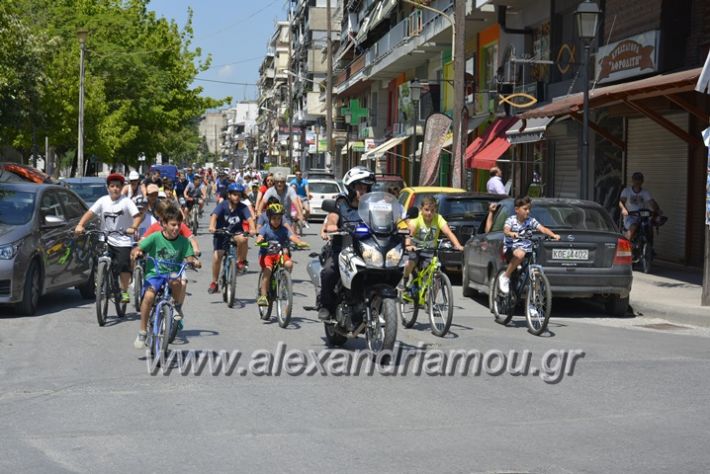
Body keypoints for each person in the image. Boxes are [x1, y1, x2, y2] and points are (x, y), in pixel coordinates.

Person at [131, 204, 201, 349]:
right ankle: (142, 331)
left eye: (178, 225)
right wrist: (137, 252)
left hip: (172, 273)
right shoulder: (155, 237)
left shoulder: (183, 241)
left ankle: (175, 307)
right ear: (164, 224)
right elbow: (139, 247)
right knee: (149, 297)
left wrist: (194, 261)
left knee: (177, 281)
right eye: (173, 225)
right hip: (155, 273)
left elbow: (189, 257)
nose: (176, 228)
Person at [318, 166, 375, 321]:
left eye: (366, 187)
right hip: (343, 249)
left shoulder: (373, 204)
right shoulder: (341, 202)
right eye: (359, 187)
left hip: (368, 249)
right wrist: (331, 226)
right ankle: (326, 305)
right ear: (351, 187)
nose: (363, 190)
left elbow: (387, 218)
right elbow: (332, 217)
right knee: (329, 271)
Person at [75, 173, 142, 304]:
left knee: (123, 265)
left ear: (122, 187)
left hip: (122, 240)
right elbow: (90, 213)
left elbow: (138, 216)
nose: (115, 189)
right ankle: (102, 279)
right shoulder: (102, 200)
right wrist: (80, 225)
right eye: (112, 186)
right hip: (105, 238)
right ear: (108, 188)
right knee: (97, 259)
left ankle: (124, 291)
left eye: (118, 186)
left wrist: (133, 227)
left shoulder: (126, 202)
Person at [498, 196, 560, 294]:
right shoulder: (511, 220)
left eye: (529, 209)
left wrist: (553, 235)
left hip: (525, 248)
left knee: (533, 254)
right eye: (525, 209)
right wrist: (511, 233)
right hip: (511, 248)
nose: (528, 212)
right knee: (521, 254)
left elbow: (543, 229)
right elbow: (506, 230)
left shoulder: (531, 221)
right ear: (517, 210)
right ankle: (505, 276)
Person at [402, 196, 464, 284]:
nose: (429, 213)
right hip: (415, 249)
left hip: (429, 251)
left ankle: (429, 292)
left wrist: (457, 245)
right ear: (421, 209)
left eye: (432, 210)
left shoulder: (438, 218)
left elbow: (448, 233)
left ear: (435, 210)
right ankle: (405, 278)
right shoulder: (416, 219)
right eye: (426, 210)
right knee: (410, 263)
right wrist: (408, 245)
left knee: (433, 272)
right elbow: (410, 233)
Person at [255, 203, 308, 306]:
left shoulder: (284, 230)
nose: (276, 221)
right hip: (266, 255)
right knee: (268, 271)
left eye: (279, 218)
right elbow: (260, 237)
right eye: (274, 218)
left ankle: (284, 281)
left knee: (289, 264)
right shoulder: (265, 228)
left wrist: (299, 242)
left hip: (279, 254)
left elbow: (292, 237)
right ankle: (263, 296)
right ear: (269, 218)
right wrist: (260, 240)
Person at [207, 183, 256, 294]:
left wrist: (252, 229)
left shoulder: (243, 207)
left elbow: (250, 219)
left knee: (244, 238)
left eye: (239, 195)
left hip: (235, 233)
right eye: (234, 194)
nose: (237, 197)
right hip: (221, 233)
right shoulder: (222, 205)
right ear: (229, 195)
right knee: (217, 256)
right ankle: (214, 282)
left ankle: (240, 261)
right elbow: (214, 216)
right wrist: (212, 226)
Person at [619, 172, 662, 241]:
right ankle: (624, 245)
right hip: (630, 216)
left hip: (642, 216)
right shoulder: (626, 191)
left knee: (649, 227)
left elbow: (652, 202)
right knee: (634, 226)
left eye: (639, 179)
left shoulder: (645, 192)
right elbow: (621, 202)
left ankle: (649, 246)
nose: (637, 181)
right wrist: (624, 209)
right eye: (636, 179)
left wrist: (657, 210)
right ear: (632, 180)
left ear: (642, 181)